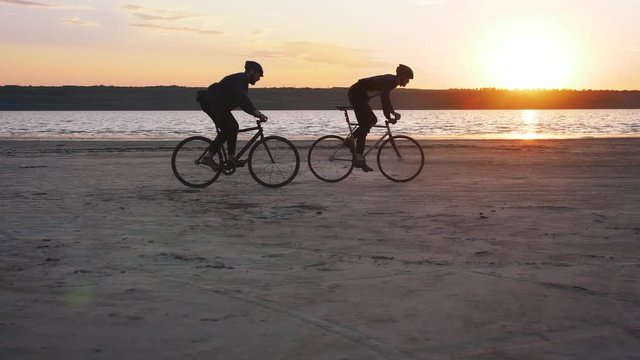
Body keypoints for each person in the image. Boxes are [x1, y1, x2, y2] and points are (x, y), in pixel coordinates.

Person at [196, 61, 268, 168]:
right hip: (212, 104)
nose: (259, 78)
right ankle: (208, 157)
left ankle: (231, 159)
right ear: (252, 72)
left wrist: (254, 112)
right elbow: (242, 99)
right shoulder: (239, 79)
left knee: (233, 127)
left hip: (219, 105)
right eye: (259, 75)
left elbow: (242, 102)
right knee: (227, 129)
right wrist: (256, 112)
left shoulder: (242, 82)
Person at [346, 64, 414, 172]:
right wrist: (389, 116)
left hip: (361, 97)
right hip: (357, 95)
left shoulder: (392, 82)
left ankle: (354, 147)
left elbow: (386, 99)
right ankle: (356, 151)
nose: (408, 82)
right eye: (407, 79)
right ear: (401, 76)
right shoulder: (390, 81)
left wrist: (392, 112)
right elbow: (384, 99)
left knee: (370, 122)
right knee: (365, 124)